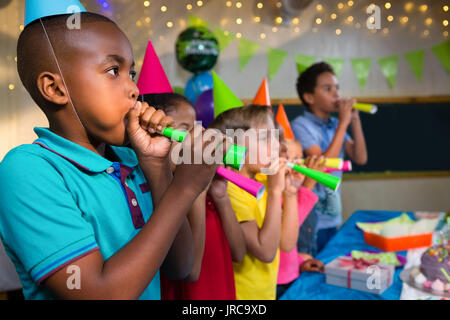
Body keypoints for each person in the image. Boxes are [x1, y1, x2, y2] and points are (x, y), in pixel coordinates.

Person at [0, 12, 227, 300]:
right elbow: (99, 294)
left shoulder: (132, 161)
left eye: (131, 73)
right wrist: (185, 188)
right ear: (56, 88)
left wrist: (158, 169)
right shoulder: (28, 170)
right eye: (112, 71)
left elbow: (180, 266)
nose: (134, 89)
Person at [143, 93, 246, 300]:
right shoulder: (161, 196)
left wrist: (219, 195)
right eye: (184, 130)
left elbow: (239, 253)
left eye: (195, 128)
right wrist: (197, 190)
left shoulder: (207, 192)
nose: (194, 139)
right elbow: (190, 272)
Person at [209, 105, 300, 300]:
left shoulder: (263, 180)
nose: (276, 145)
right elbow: (266, 251)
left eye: (274, 136)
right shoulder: (231, 191)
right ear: (234, 145)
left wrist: (290, 193)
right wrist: (276, 191)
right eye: (265, 137)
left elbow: (286, 244)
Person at [291, 62, 368, 255]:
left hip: (334, 216)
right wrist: (343, 123)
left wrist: (354, 121)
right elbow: (322, 165)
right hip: (312, 217)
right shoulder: (301, 125)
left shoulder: (335, 124)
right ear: (309, 97)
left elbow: (360, 157)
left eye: (337, 88)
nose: (336, 94)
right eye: (327, 89)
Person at [276, 139, 325, 299]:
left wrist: (299, 262)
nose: (297, 164)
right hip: (276, 281)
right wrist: (308, 186)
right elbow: (286, 234)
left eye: (299, 158)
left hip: (292, 273)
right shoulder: (275, 194)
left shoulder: (292, 191)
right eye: (290, 159)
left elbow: (290, 244)